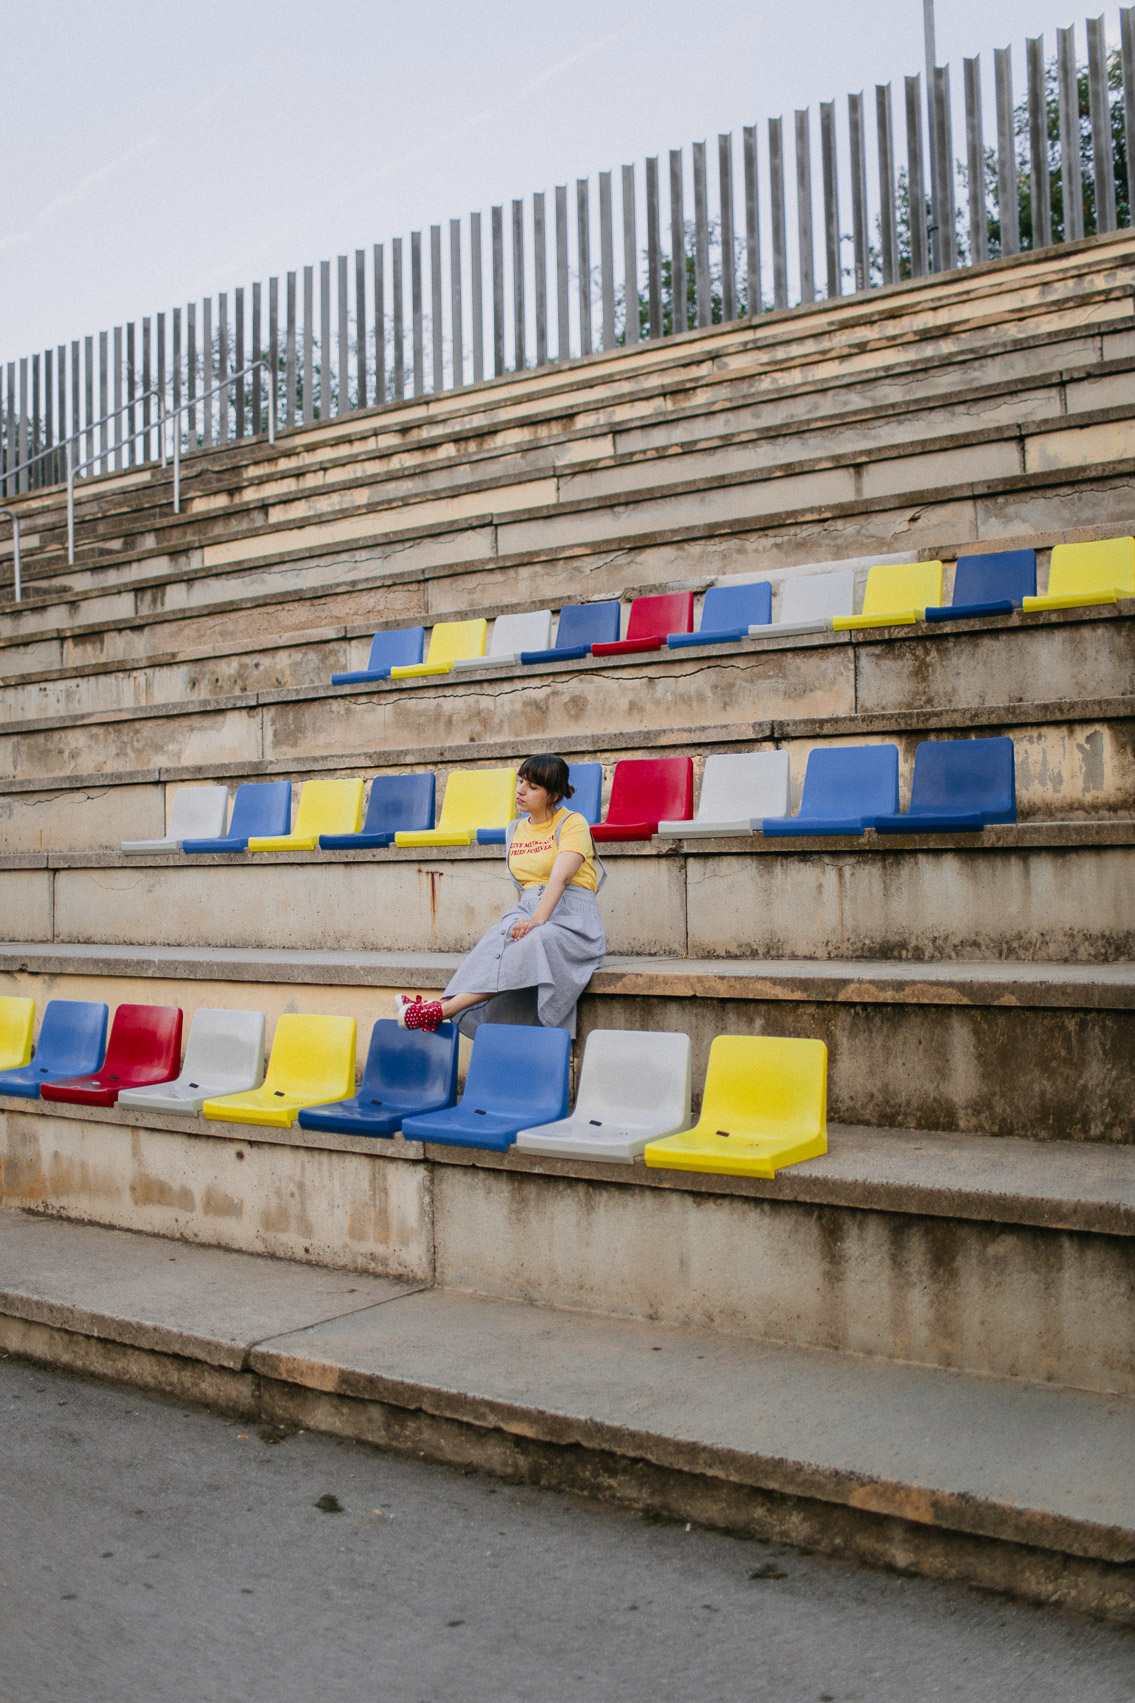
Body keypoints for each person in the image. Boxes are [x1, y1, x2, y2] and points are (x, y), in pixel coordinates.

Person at [395, 754, 605, 1036]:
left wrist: (536, 920)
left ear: (552, 794)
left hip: (572, 918)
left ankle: (442, 1009)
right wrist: (519, 921)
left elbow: (561, 877)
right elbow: (523, 888)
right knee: (497, 937)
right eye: (521, 782)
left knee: (537, 937)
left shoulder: (572, 823)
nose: (520, 790)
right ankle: (437, 1006)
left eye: (532, 787)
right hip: (530, 908)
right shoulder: (514, 829)